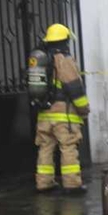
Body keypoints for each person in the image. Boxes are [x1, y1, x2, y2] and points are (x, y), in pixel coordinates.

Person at [33, 24, 90, 194]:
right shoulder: (64, 60)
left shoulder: (41, 60)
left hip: (44, 114)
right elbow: (74, 88)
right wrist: (84, 109)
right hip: (63, 116)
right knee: (68, 147)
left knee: (45, 147)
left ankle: (44, 183)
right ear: (64, 40)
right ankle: (72, 184)